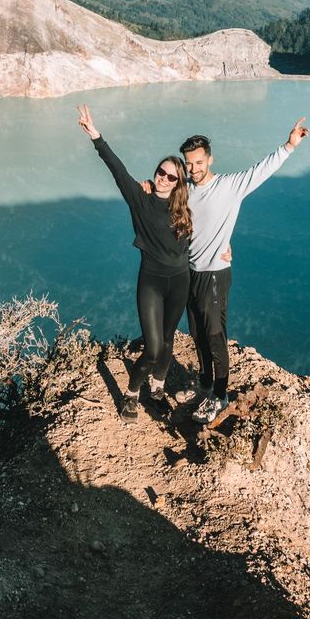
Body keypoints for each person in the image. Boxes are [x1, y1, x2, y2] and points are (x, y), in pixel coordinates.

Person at [180, 118, 309, 423]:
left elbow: (260, 171)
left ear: (210, 159)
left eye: (198, 162)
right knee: (197, 334)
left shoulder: (229, 186)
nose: (193, 168)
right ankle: (206, 384)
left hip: (215, 274)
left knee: (214, 336)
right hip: (190, 273)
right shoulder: (183, 191)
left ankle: (221, 397)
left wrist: (289, 145)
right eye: (189, 163)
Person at [77, 103, 192, 419]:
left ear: (179, 183)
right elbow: (117, 169)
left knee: (168, 344)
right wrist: (96, 136)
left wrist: (224, 250)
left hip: (181, 280)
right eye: (161, 172)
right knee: (153, 348)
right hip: (152, 281)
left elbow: (205, 230)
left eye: (171, 176)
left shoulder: (185, 208)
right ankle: (131, 394)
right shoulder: (140, 199)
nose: (164, 178)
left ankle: (156, 389)